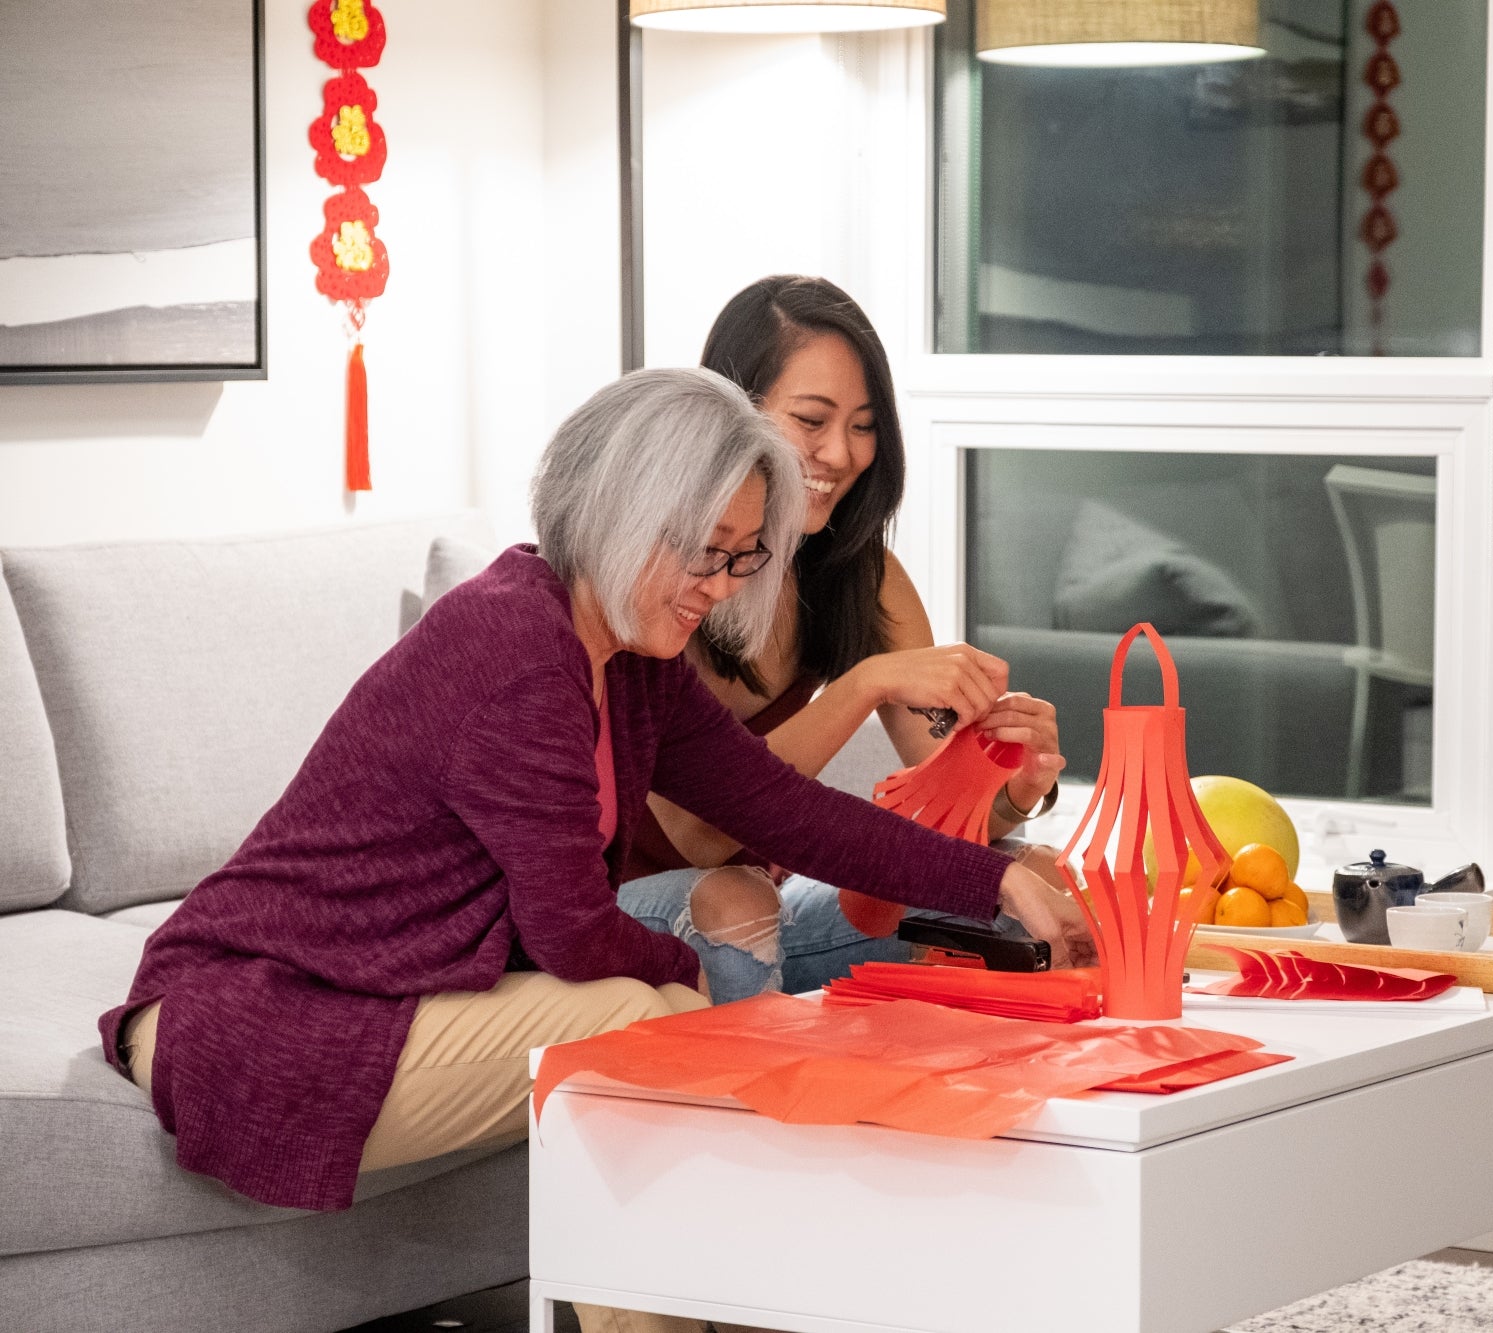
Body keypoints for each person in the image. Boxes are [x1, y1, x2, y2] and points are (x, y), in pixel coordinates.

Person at [100, 369, 1088, 1333]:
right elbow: (572, 934)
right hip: (255, 1015)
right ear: (620, 514)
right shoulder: (513, 647)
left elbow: (786, 809)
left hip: (394, 986)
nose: (722, 586)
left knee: (659, 1019)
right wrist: (702, 979)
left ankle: (728, 1309)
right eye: (707, 551)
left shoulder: (623, 657)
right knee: (635, 1016)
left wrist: (993, 876)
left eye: (743, 556)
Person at [618, 276, 1076, 1000]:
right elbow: (703, 832)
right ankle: (758, 1102)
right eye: (811, 419)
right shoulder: (670, 571)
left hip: (766, 911)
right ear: (731, 411)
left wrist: (1018, 787)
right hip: (627, 915)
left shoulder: (859, 576)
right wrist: (866, 683)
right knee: (736, 897)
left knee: (1033, 882)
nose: (840, 452)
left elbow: (949, 822)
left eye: (863, 425)